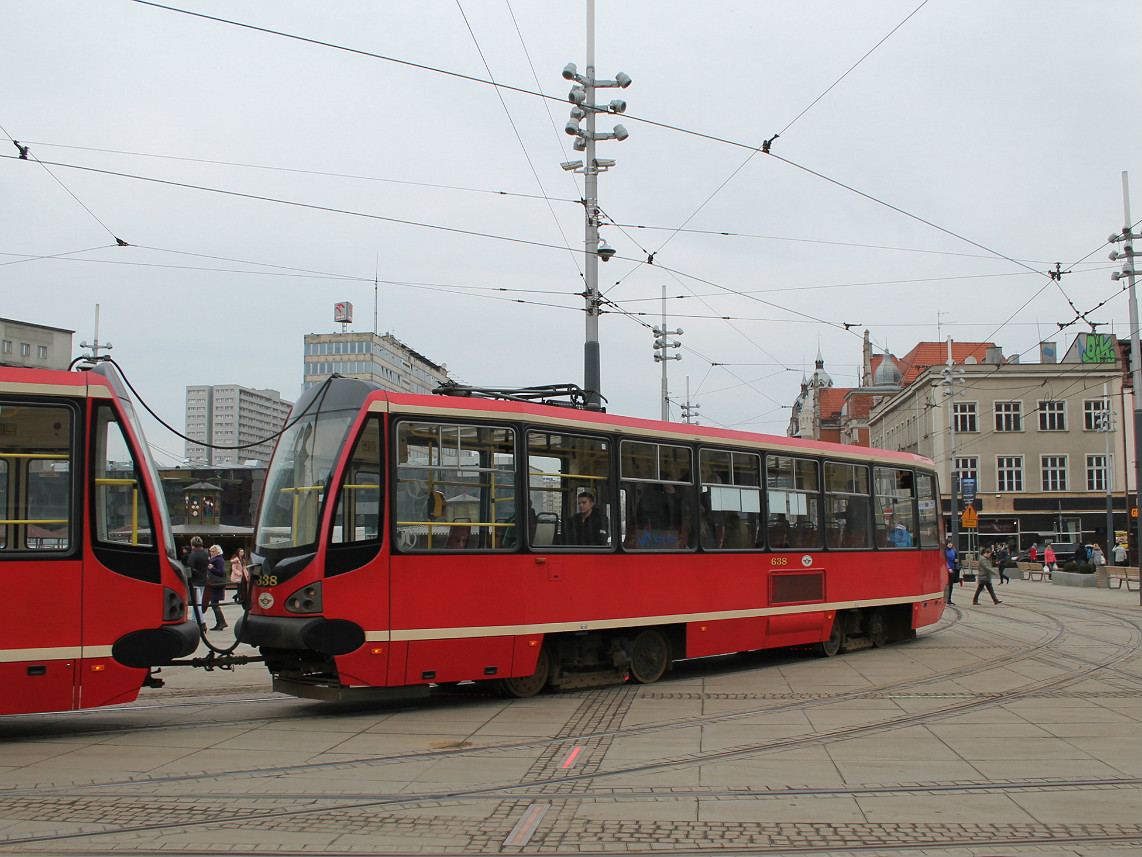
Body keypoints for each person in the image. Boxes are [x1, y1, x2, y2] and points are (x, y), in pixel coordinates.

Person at [203, 544, 228, 630]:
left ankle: (222, 622)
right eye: (210, 551)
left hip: (217, 583)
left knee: (214, 603)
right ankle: (219, 623)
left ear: (217, 551)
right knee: (214, 603)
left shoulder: (218, 559)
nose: (211, 553)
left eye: (212, 551)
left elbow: (221, 572)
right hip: (214, 583)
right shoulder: (215, 559)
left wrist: (212, 568)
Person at [944, 539, 958, 605]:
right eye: (949, 543)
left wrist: (955, 561)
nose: (950, 544)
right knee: (947, 585)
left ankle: (949, 599)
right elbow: (944, 560)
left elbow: (954, 558)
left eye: (951, 543)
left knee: (951, 585)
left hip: (953, 569)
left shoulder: (953, 551)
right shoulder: (945, 551)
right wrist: (948, 568)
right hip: (947, 570)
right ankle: (946, 599)